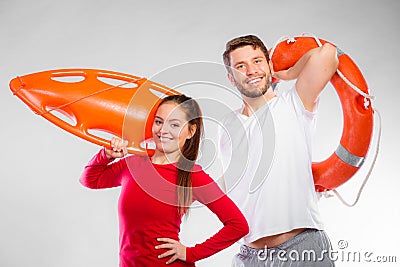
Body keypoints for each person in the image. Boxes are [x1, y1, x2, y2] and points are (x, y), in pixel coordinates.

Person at [80, 94, 249, 266]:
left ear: (191, 131)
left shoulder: (192, 175)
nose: (163, 131)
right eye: (159, 122)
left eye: (174, 124)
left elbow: (238, 225)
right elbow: (90, 180)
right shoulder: (132, 163)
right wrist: (106, 155)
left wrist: (192, 253)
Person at [218, 35, 339, 266]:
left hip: (300, 249)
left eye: (257, 61)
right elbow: (229, 185)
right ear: (231, 78)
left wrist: (286, 73)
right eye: (241, 66)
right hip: (247, 256)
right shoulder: (226, 124)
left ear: (268, 65)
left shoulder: (293, 103)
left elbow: (328, 54)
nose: (251, 70)